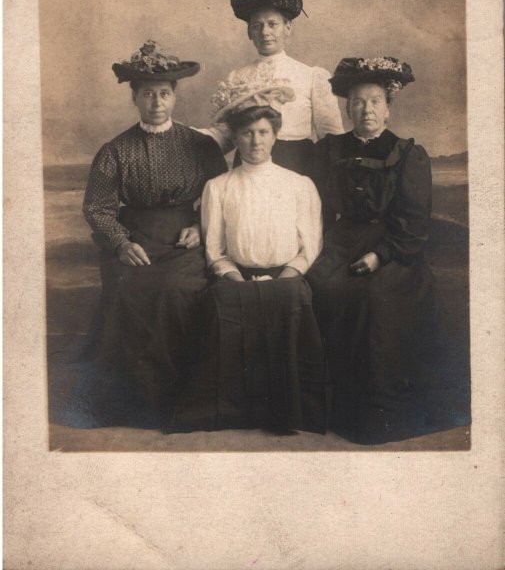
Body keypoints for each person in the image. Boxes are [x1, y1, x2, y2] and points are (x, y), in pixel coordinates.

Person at [60, 41, 227, 429]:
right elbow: (98, 208)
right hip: (137, 239)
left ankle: (183, 400)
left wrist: (203, 229)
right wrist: (120, 242)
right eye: (148, 94)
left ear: (175, 96)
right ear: (135, 98)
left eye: (164, 94)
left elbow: (222, 195)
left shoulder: (200, 145)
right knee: (130, 289)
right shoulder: (115, 150)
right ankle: (133, 403)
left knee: (179, 289)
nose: (157, 102)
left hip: (187, 237)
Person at [171, 72, 328, 434]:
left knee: (289, 299)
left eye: (263, 132)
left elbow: (311, 244)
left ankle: (287, 412)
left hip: (287, 277)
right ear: (236, 138)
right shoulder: (219, 187)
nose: (255, 141)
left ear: (275, 136)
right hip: (236, 277)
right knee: (225, 305)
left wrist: (290, 273)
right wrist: (235, 276)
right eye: (247, 133)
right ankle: (232, 412)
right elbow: (215, 248)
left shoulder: (298, 185)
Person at [307, 56, 438, 444]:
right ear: (347, 107)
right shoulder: (330, 149)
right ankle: (325, 406)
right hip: (340, 242)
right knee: (316, 286)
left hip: (392, 248)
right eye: (359, 102)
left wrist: (379, 255)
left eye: (375, 102)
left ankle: (375, 413)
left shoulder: (406, 153)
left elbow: (413, 224)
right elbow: (315, 207)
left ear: (388, 107)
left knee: (373, 296)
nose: (367, 110)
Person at [206, 0, 343, 175]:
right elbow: (226, 135)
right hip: (248, 165)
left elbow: (332, 138)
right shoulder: (237, 77)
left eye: (272, 24)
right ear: (249, 32)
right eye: (257, 26)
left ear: (287, 28)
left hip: (297, 163)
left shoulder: (311, 76)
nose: (264, 32)